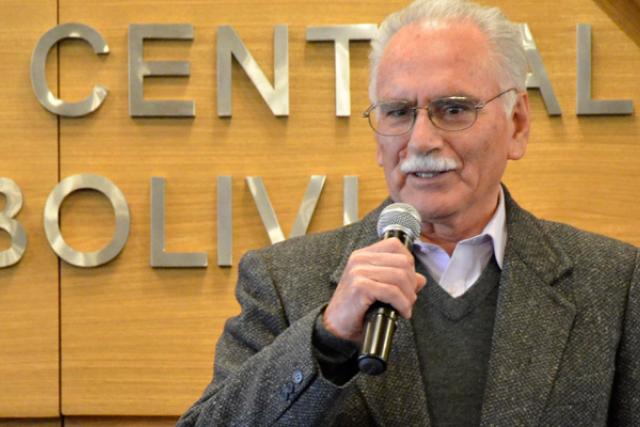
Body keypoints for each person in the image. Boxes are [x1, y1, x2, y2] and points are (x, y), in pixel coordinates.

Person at [178, 0, 639, 425]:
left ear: (516, 124)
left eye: (453, 109)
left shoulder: (612, 282)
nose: (421, 140)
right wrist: (327, 339)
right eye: (398, 112)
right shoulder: (283, 281)